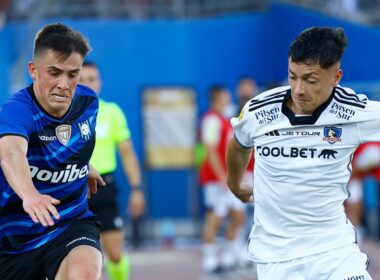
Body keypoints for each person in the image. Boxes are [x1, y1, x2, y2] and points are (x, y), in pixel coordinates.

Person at [226, 27, 373, 279]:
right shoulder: (259, 111)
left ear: (335, 77)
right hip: (276, 258)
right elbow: (239, 143)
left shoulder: (353, 112)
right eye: (292, 76)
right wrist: (235, 184)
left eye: (310, 79)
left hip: (334, 251)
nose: (298, 89)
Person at [0, 23, 106, 280]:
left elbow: (72, 142)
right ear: (33, 70)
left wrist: (83, 166)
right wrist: (30, 195)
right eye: (54, 72)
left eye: (73, 74)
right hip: (12, 239)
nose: (64, 84)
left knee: (85, 271)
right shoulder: (16, 111)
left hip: (69, 224)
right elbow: (11, 152)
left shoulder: (88, 102)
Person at [79, 61, 145, 280]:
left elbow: (127, 153)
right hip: (73, 188)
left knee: (115, 255)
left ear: (100, 82)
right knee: (78, 259)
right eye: (82, 79)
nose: (88, 84)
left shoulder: (112, 112)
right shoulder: (66, 113)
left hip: (104, 187)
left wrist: (137, 188)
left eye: (92, 79)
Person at [199, 85, 246, 273]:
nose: (229, 99)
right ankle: (209, 259)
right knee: (214, 218)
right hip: (215, 179)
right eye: (226, 96)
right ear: (218, 98)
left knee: (238, 216)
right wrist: (221, 177)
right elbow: (210, 151)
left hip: (229, 178)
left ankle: (229, 255)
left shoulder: (225, 119)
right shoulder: (211, 120)